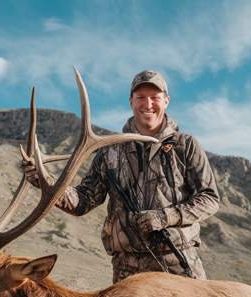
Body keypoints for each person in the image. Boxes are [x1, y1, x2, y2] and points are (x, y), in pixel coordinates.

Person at [27, 70, 220, 283]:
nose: (148, 104)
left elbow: (209, 199)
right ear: (131, 101)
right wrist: (45, 181)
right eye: (141, 98)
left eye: (155, 97)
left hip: (179, 263)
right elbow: (83, 201)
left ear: (166, 100)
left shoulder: (186, 146)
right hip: (128, 270)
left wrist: (165, 217)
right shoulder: (110, 150)